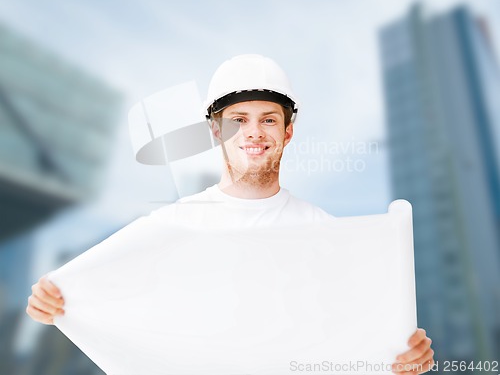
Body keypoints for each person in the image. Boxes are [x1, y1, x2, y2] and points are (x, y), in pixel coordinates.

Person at [27, 54, 435, 374]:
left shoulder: (326, 237)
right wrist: (55, 303)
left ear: (288, 132)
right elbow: (112, 307)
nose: (253, 133)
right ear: (215, 131)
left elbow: (359, 339)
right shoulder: (171, 228)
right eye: (238, 120)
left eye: (268, 120)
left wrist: (402, 358)